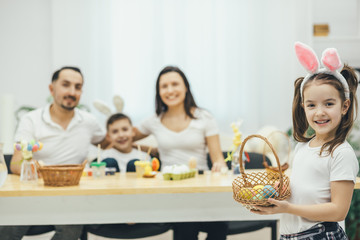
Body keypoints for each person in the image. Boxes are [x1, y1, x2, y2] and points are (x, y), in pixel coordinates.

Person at [252, 42, 359, 240]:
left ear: (344, 106)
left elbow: (338, 211)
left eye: (329, 103)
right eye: (311, 105)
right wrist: (281, 192)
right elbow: (305, 190)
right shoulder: (302, 147)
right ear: (303, 106)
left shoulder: (341, 153)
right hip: (292, 235)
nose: (319, 112)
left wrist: (289, 208)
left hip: (320, 235)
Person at [2, 66, 106, 240]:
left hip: (70, 197)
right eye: (66, 85)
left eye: (78, 87)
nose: (72, 92)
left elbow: (108, 142)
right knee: (10, 224)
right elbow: (16, 163)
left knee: (71, 226)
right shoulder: (31, 120)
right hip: (34, 193)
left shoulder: (89, 122)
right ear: (52, 89)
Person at [134, 66, 228, 240]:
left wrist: (219, 166)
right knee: (186, 224)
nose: (170, 90)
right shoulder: (154, 121)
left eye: (175, 84)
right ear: (158, 92)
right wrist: (154, 151)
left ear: (186, 87)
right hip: (170, 190)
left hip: (200, 187)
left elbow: (218, 159)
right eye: (164, 86)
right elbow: (123, 137)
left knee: (219, 225)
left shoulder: (204, 117)